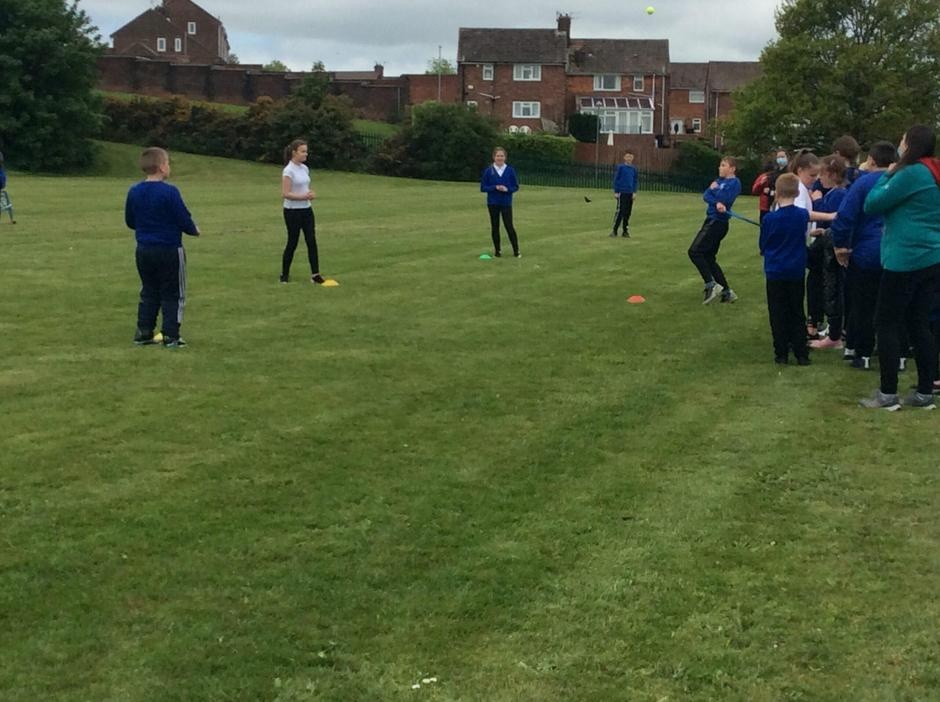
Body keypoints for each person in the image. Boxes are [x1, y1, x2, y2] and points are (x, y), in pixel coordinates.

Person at [859, 125, 940, 410]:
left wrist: (887, 175)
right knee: (919, 323)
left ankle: (888, 393)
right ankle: (925, 392)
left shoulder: (911, 173)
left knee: (886, 322)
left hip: (905, 257)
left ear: (911, 145)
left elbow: (872, 203)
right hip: (932, 255)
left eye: (903, 141)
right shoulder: (934, 171)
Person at [829, 141, 897, 370]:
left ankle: (863, 352)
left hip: (867, 252)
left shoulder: (863, 183)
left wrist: (840, 245)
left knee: (863, 304)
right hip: (897, 251)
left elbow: (845, 216)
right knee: (896, 307)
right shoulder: (902, 181)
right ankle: (898, 355)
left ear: (871, 160)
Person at [125, 147, 200, 348]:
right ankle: (171, 334)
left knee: (149, 290)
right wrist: (193, 230)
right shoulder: (170, 192)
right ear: (161, 167)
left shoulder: (134, 191)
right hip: (169, 248)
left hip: (144, 249)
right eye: (168, 163)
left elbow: (130, 220)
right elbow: (182, 217)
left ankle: (143, 331)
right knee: (173, 292)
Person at [759, 173, 811, 365]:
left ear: (777, 193)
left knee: (777, 312)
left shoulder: (769, 219)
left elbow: (763, 244)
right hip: (795, 270)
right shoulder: (801, 215)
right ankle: (801, 353)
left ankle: (781, 352)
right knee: (796, 311)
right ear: (797, 193)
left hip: (775, 271)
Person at [807, 156, 849, 349]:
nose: (819, 179)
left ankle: (835, 332)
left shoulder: (839, 194)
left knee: (833, 288)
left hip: (831, 247)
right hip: (826, 240)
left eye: (822, 174)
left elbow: (833, 217)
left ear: (831, 175)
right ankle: (832, 328)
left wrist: (817, 202)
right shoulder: (833, 193)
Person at [688, 156, 741, 304]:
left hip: (717, 222)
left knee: (695, 252)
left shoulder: (734, 183)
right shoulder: (719, 181)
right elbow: (706, 195)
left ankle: (711, 284)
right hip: (711, 219)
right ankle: (726, 291)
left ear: (732, 169)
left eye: (723, 165)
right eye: (720, 165)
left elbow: (725, 198)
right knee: (709, 257)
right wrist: (715, 196)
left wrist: (715, 192)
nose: (720, 168)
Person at [281, 139, 325, 284]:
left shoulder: (304, 168)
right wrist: (303, 197)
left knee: (311, 240)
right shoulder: (288, 170)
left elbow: (304, 187)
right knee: (292, 242)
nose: (306, 154)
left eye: (306, 151)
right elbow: (286, 193)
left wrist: (310, 193)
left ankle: (315, 274)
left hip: (306, 209)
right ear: (294, 153)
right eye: (303, 151)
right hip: (292, 211)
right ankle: (284, 275)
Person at [480, 146, 520, 258]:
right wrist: (495, 187)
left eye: (502, 156)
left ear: (505, 157)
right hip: (493, 202)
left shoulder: (510, 170)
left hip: (506, 202)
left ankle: (516, 251)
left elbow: (515, 186)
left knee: (509, 226)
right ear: (494, 157)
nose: (500, 158)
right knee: (495, 226)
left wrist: (507, 189)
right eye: (498, 156)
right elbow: (483, 187)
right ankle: (497, 251)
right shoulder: (489, 171)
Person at [611, 150, 637, 237]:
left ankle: (625, 231)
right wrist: (616, 191)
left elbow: (635, 181)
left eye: (630, 157)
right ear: (624, 157)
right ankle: (614, 230)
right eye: (627, 156)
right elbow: (616, 179)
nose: (629, 158)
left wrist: (634, 192)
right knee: (621, 211)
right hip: (622, 192)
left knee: (628, 212)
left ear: (632, 158)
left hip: (630, 193)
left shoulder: (633, 169)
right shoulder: (621, 167)